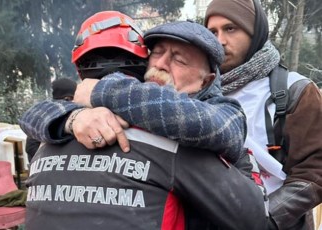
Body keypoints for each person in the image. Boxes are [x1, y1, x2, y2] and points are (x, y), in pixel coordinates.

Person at [24, 13, 267, 229]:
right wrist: (74, 116)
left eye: (179, 60)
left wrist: (101, 90)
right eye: (157, 53)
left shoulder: (225, 112)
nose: (160, 64)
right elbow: (33, 115)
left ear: (206, 81)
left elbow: (209, 125)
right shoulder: (126, 105)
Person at [204, 0, 322, 229]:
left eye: (230, 28)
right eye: (212, 32)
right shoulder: (198, 89)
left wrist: (265, 218)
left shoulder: (295, 90)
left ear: (254, 33)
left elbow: (315, 171)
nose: (220, 40)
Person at [25, 77, 77, 162]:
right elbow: (31, 148)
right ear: (67, 98)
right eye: (74, 98)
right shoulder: (46, 117)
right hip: (43, 167)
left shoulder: (45, 115)